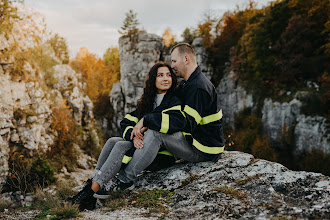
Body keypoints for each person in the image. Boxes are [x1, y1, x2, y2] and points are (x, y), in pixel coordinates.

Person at [66, 62, 186, 211]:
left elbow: (176, 122)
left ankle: (89, 193)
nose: (165, 78)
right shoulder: (148, 101)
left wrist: (145, 126)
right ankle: (90, 191)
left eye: (168, 75)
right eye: (160, 75)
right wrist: (134, 136)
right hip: (141, 145)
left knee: (121, 145)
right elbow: (127, 121)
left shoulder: (174, 101)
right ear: (153, 79)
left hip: (160, 154)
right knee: (112, 141)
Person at [115, 43, 225, 186]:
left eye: (174, 61)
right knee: (152, 129)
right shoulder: (187, 84)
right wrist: (146, 121)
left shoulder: (199, 87)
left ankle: (124, 178)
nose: (172, 66)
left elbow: (186, 124)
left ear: (186, 59)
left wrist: (148, 122)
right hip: (196, 141)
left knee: (157, 133)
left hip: (205, 149)